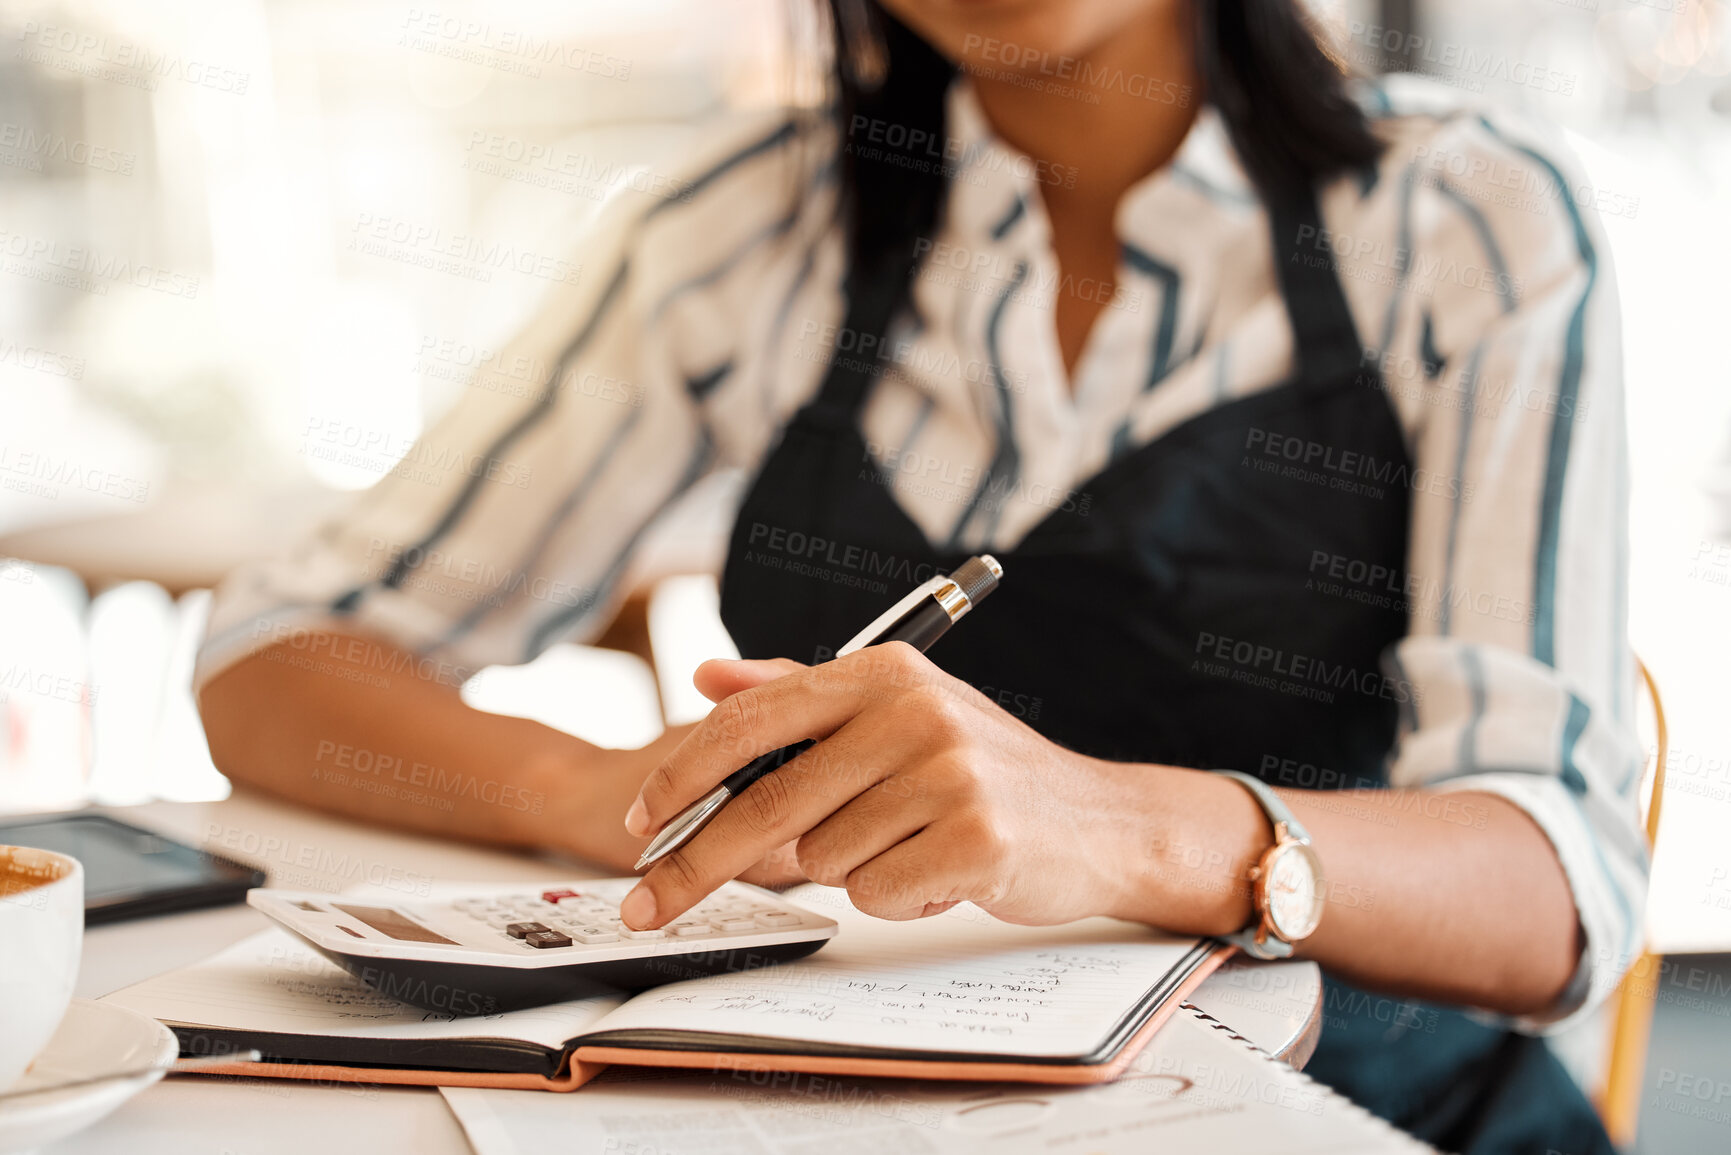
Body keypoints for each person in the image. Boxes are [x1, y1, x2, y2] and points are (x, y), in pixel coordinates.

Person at [196, 2, 1645, 1150]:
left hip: (1364, 1117)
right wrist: (609, 795)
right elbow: (276, 657)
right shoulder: (746, 236)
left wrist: (1107, 827)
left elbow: (1551, 893)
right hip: (869, 1121)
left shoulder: (1463, 220)